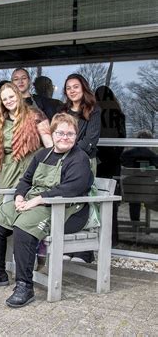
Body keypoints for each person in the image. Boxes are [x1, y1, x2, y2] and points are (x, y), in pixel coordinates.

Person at [0, 113, 93, 308]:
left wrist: (37, 200)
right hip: (33, 202)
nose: (65, 137)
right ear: (52, 134)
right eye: (60, 133)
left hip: (64, 208)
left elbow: (72, 189)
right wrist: (20, 196)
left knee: (24, 226)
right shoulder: (42, 155)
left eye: (70, 134)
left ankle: (24, 286)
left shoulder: (79, 159)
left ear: (76, 136)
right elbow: (26, 180)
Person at [0, 83, 53, 202]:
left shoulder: (35, 114)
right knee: (5, 202)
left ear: (18, 96)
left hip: (32, 165)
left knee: (29, 200)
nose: (9, 101)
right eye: (5, 99)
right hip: (9, 168)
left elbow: (49, 145)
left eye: (11, 97)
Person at [62, 73, 101, 263]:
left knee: (83, 201)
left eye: (75, 86)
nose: (72, 91)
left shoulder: (93, 111)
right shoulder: (63, 112)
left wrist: (70, 152)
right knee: (68, 202)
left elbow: (90, 140)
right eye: (68, 88)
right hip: (65, 163)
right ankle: (69, 247)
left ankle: (85, 252)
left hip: (84, 161)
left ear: (83, 88)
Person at [95, 85, 126, 245]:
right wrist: (115, 158)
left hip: (99, 161)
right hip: (113, 162)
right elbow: (122, 139)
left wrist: (98, 157)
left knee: (94, 199)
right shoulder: (119, 114)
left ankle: (97, 238)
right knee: (111, 202)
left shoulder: (96, 112)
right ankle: (112, 239)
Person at [120, 130, 158, 222]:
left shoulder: (126, 155)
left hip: (130, 193)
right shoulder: (153, 156)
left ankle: (135, 223)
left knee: (134, 198)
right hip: (149, 193)